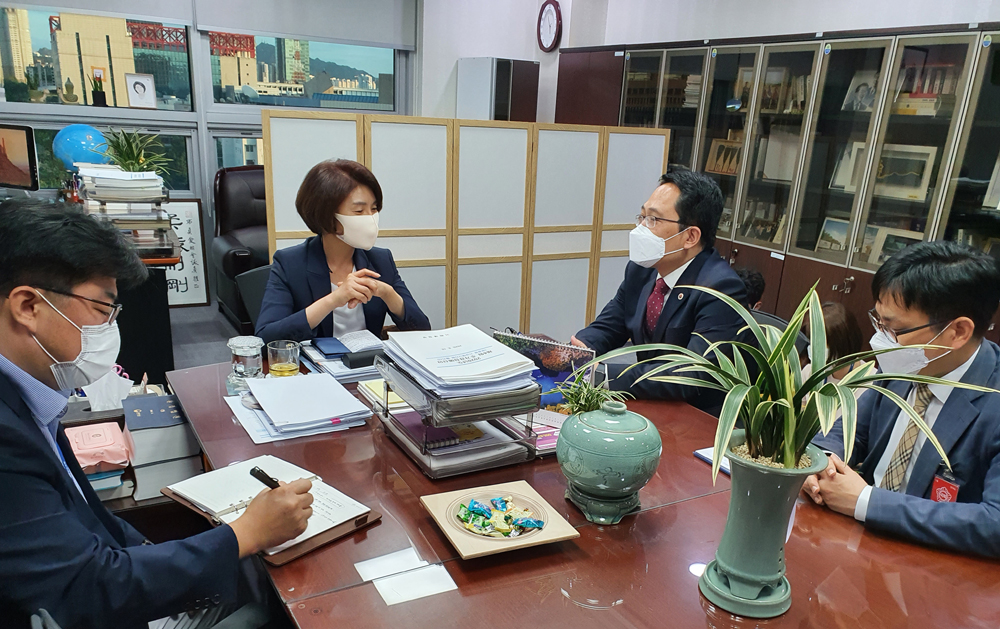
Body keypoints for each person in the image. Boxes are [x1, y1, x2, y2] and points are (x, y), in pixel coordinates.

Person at [0, 199, 314, 627]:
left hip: (114, 582)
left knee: (255, 576)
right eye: (102, 309)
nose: (110, 328)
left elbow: (93, 520)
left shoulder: (32, 395)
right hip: (98, 607)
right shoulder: (7, 435)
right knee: (277, 605)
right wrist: (246, 533)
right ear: (27, 306)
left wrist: (153, 555)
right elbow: (87, 588)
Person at [804, 241, 1000, 558]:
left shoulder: (992, 398)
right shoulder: (906, 361)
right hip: (854, 544)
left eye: (895, 329)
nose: (881, 340)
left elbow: (994, 523)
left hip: (930, 565)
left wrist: (866, 501)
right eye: (879, 322)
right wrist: (820, 461)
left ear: (958, 332)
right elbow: (851, 430)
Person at [571, 168, 748, 412]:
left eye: (653, 220)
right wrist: (578, 351)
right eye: (642, 216)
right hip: (649, 404)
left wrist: (603, 375)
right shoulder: (641, 270)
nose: (641, 228)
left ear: (690, 236)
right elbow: (611, 324)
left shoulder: (721, 289)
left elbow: (689, 373)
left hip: (698, 417)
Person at [256, 159, 430, 343]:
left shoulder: (380, 260)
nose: (371, 218)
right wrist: (334, 300)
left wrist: (388, 293)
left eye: (374, 209)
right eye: (359, 211)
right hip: (315, 361)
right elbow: (266, 338)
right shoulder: (290, 263)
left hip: (367, 360)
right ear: (327, 215)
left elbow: (422, 329)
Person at [801, 301, 864, 383]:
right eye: (812, 342)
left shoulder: (873, 383)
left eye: (824, 344)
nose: (816, 350)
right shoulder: (808, 373)